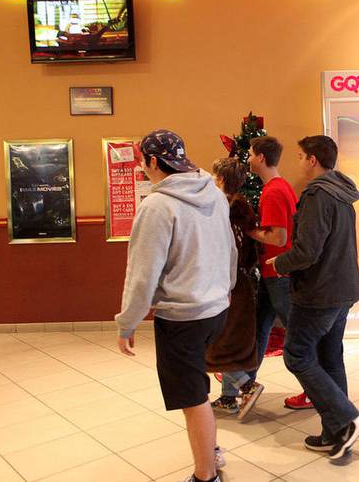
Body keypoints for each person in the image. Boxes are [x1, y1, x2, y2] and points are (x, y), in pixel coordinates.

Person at [115, 129, 236, 482]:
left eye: (143, 161)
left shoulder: (157, 205)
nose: (142, 168)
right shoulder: (213, 193)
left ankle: (206, 475)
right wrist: (224, 290)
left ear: (154, 161)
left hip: (182, 316)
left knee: (192, 398)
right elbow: (230, 250)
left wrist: (128, 322)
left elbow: (142, 273)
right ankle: (209, 449)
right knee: (197, 384)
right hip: (215, 309)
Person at [266, 135, 359, 460]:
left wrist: (279, 263)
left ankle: (347, 418)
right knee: (329, 357)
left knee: (297, 354)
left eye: (300, 156)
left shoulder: (317, 194)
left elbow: (308, 251)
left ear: (313, 160)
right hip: (342, 290)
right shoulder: (342, 193)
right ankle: (335, 433)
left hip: (319, 292)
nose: (298, 163)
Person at [243, 136, 312, 412]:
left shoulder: (272, 191)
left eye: (250, 153)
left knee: (296, 336)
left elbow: (279, 235)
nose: (248, 158)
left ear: (260, 157)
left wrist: (248, 230)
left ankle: (314, 389)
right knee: (260, 327)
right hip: (274, 275)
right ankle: (246, 385)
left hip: (278, 274)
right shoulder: (281, 187)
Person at [207, 158, 261, 420]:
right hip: (241, 280)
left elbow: (225, 251)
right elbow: (251, 249)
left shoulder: (217, 209)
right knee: (231, 340)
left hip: (225, 284)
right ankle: (228, 397)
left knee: (219, 342)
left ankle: (246, 386)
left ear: (219, 179)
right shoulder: (244, 208)